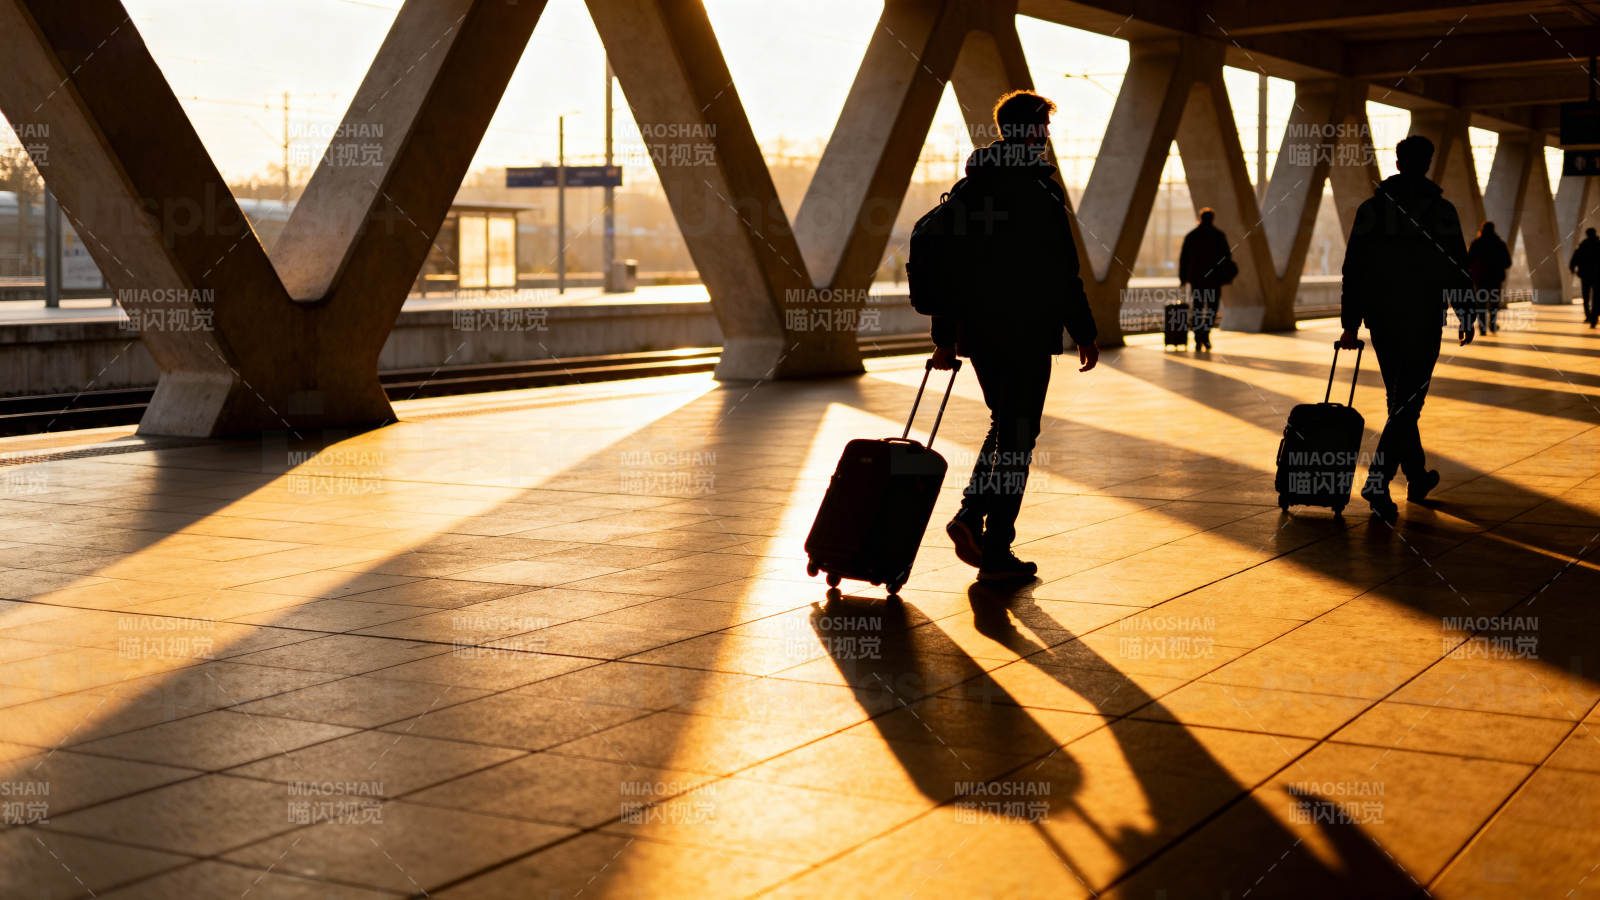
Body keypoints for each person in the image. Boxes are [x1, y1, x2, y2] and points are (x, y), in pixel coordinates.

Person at [930, 89, 1098, 582]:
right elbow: (1064, 272)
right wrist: (1084, 331)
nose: (1046, 138)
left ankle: (972, 517)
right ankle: (993, 545)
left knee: (1004, 424)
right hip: (1025, 330)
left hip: (980, 334)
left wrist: (945, 338)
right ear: (1029, 131)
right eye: (1043, 128)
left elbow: (949, 271)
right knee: (1019, 436)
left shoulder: (970, 188)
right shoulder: (1037, 191)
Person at [1339, 134, 1473, 523]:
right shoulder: (1441, 210)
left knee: (1400, 400)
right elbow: (1456, 264)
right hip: (1423, 316)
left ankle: (1417, 476)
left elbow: (1354, 268)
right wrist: (1465, 311)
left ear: (1397, 164)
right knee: (1407, 401)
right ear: (1427, 164)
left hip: (1382, 318)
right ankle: (1377, 481)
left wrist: (1351, 323)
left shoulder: (1371, 210)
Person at [1178, 208, 1233, 350]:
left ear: (1200, 218)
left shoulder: (1192, 236)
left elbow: (1184, 259)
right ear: (1212, 219)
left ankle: (1197, 337)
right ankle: (1206, 334)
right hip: (1214, 280)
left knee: (1197, 308)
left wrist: (1183, 278)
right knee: (1212, 309)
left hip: (1197, 280)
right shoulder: (1219, 236)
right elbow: (1226, 258)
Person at [1465, 220, 1511, 335]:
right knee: (1494, 304)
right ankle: (1493, 325)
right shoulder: (1500, 244)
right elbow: (1507, 262)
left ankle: (1482, 328)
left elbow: (1468, 261)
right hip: (1495, 279)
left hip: (1480, 279)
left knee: (1481, 304)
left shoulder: (1476, 244)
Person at [1572, 227, 1600, 328]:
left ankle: (1589, 316)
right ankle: (1594, 316)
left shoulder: (1583, 246)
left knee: (1586, 296)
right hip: (1596, 276)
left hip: (1585, 276)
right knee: (1596, 297)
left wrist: (1573, 269)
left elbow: (1574, 259)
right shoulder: (1598, 244)